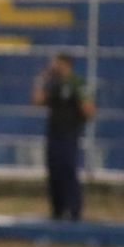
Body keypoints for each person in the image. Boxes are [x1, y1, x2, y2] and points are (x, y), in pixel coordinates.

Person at [33, 53, 94, 220]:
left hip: (69, 133)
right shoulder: (53, 84)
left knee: (68, 169)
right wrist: (41, 80)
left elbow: (88, 109)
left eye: (57, 64)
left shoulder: (77, 83)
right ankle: (57, 210)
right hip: (53, 133)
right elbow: (38, 101)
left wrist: (76, 117)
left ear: (66, 64)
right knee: (54, 171)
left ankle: (74, 210)